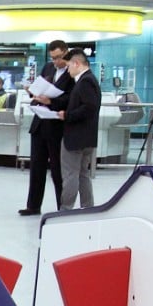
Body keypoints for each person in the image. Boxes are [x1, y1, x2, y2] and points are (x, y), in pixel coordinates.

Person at [19, 39, 73, 216]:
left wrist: (53, 101)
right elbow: (40, 88)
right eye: (53, 58)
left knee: (58, 170)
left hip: (57, 126)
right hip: (40, 123)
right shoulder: (48, 68)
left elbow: (71, 99)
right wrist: (34, 94)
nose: (56, 62)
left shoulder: (73, 73)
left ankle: (62, 207)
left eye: (59, 57)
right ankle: (33, 205)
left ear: (66, 52)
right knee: (36, 167)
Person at [57, 49, 100, 210]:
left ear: (76, 63)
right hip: (87, 138)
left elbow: (89, 108)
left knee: (71, 174)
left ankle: (66, 209)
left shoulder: (85, 82)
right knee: (83, 174)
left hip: (76, 138)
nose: (68, 70)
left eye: (69, 66)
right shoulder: (90, 80)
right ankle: (87, 207)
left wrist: (67, 115)